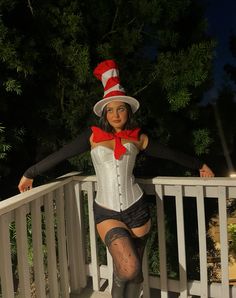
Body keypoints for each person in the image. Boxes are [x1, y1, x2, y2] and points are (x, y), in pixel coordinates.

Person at [18, 60, 214, 298]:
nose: (115, 114)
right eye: (110, 110)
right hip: (106, 211)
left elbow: (171, 154)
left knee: (133, 273)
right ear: (104, 113)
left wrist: (200, 165)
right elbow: (62, 153)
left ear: (128, 111)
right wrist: (31, 172)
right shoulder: (93, 137)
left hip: (137, 209)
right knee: (129, 267)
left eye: (120, 109)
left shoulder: (138, 138)